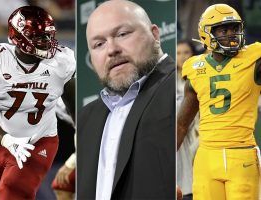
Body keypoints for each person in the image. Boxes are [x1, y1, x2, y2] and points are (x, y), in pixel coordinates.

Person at [77, 0, 176, 199]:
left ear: (155, 35)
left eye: (122, 34)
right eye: (99, 44)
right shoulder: (87, 117)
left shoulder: (181, 86)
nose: (111, 49)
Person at [177, 4, 261, 200]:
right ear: (206, 33)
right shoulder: (195, 67)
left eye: (234, 28)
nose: (231, 34)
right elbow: (182, 125)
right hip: (206, 158)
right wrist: (164, 165)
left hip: (242, 156)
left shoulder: (254, 59)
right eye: (224, 30)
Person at [0, 6, 76, 200]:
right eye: (39, 37)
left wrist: (81, 148)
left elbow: (76, 111)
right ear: (19, 37)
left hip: (38, 142)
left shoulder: (62, 61)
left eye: (48, 36)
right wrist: (8, 140)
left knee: (12, 193)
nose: (47, 42)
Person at [176, 40, 199, 200]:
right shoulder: (169, 84)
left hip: (200, 136)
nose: (182, 57)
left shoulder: (200, 79)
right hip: (181, 141)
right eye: (178, 53)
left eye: (186, 52)